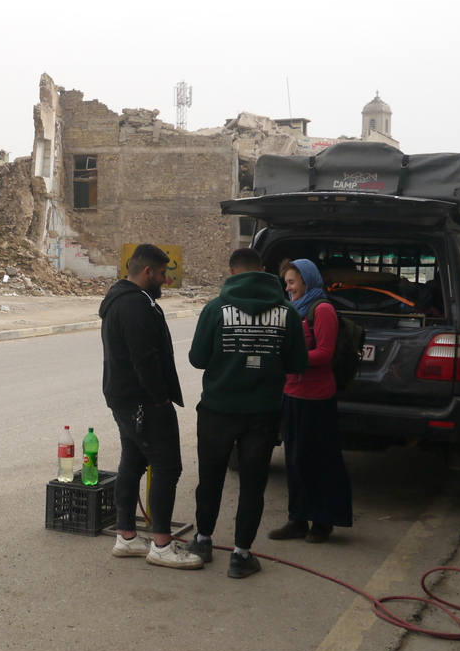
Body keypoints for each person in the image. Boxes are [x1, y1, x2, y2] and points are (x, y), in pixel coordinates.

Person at [187, 248, 308, 578]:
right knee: (253, 484)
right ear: (264, 270)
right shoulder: (288, 312)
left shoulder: (215, 308)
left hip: (217, 410)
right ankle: (241, 556)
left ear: (232, 272)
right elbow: (298, 363)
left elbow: (197, 359)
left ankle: (202, 541)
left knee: (210, 478)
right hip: (263, 413)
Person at [99, 244, 203, 569]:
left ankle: (127, 537)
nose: (165, 280)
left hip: (126, 399)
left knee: (132, 464)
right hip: (142, 401)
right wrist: (159, 398)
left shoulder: (123, 299)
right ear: (147, 272)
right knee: (167, 468)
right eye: (161, 274)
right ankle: (161, 545)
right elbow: (143, 359)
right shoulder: (134, 305)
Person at [269, 258, 353, 544]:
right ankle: (297, 520)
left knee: (316, 460)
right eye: (286, 283)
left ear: (307, 280)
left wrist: (289, 359)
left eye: (292, 282)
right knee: (294, 461)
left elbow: (325, 354)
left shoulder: (322, 310)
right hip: (292, 395)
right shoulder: (294, 310)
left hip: (317, 399)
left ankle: (322, 521)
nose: (288, 288)